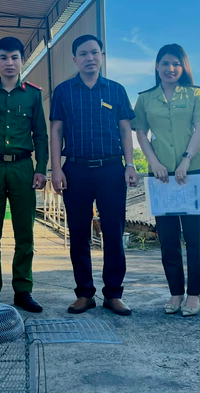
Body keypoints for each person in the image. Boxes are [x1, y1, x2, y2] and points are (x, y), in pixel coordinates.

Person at [49, 34, 139, 317]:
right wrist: (56, 168)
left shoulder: (115, 90)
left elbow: (126, 130)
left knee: (113, 232)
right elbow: (56, 132)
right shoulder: (63, 91)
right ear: (74, 59)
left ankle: (113, 294)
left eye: (95, 53)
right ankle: (85, 294)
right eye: (84, 54)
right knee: (78, 233)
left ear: (102, 56)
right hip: (75, 169)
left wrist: (130, 164)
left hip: (111, 168)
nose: (90, 58)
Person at [132, 44, 200, 317]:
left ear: (184, 67)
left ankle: (194, 294)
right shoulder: (145, 98)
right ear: (157, 66)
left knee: (194, 237)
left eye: (176, 64)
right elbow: (141, 133)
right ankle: (176, 293)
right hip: (160, 175)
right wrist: (154, 162)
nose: (170, 69)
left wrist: (186, 160)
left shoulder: (194, 94)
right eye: (165, 63)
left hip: (191, 172)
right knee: (167, 238)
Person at [0, 37, 48, 312]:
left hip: (22, 168)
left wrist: (41, 169)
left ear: (22, 60)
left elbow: (40, 135)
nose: (9, 63)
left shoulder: (33, 94)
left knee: (24, 233)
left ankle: (23, 290)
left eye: (14, 57)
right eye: (3, 57)